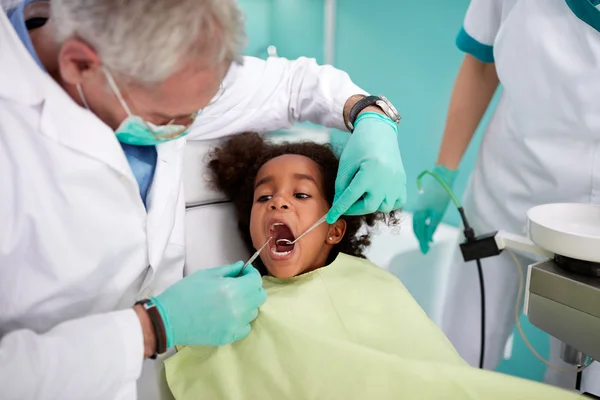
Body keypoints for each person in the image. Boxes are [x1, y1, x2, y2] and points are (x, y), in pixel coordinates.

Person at [0, 0, 407, 399]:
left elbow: (292, 86)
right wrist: (151, 328)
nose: (191, 126)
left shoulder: (162, 65)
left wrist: (368, 112)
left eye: (200, 107)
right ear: (79, 64)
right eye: (168, 118)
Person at [164, 133, 579, 400]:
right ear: (249, 227)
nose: (278, 202)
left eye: (302, 195)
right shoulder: (238, 306)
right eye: (263, 197)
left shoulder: (374, 283)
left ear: (333, 230)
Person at [412, 0, 600, 395]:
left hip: (593, 230)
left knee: (575, 382)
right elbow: (481, 64)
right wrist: (444, 169)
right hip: (506, 192)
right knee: (462, 358)